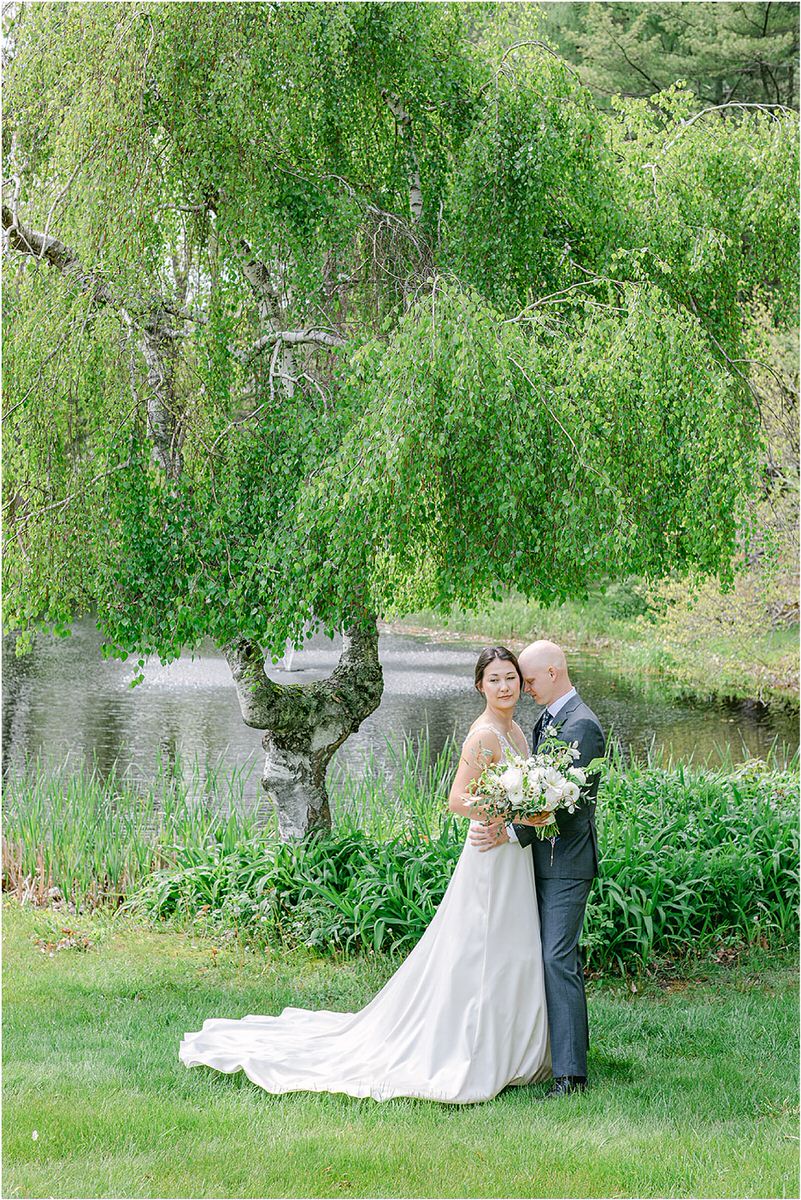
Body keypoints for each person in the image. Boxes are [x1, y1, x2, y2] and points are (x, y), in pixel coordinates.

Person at [179, 646, 551, 1103]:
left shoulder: (516, 731)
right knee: (482, 947)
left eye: (511, 677)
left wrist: (528, 814)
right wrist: (512, 808)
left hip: (511, 853)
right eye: (494, 679)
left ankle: (513, 1046)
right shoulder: (484, 736)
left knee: (511, 947)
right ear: (480, 686)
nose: (505, 686)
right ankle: (473, 1049)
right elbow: (457, 801)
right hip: (488, 856)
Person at [470, 639, 605, 1098]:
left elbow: (569, 808)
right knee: (535, 957)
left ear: (552, 672)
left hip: (566, 866)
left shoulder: (583, 726)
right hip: (540, 864)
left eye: (527, 679)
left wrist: (509, 833)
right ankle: (541, 1053)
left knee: (556, 958)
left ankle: (571, 1075)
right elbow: (534, 791)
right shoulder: (549, 720)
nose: (523, 689)